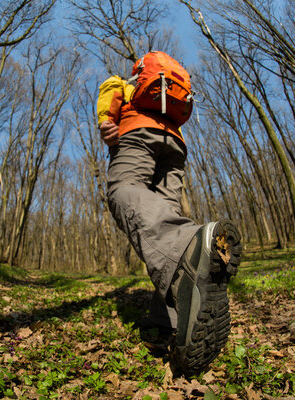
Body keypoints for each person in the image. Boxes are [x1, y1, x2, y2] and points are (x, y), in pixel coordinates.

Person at [97, 51, 242, 373]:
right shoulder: (171, 91)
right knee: (165, 211)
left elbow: (110, 92)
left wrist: (106, 120)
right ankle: (171, 318)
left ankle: (191, 241)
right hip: (175, 143)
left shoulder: (127, 81)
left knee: (123, 190)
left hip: (136, 132)